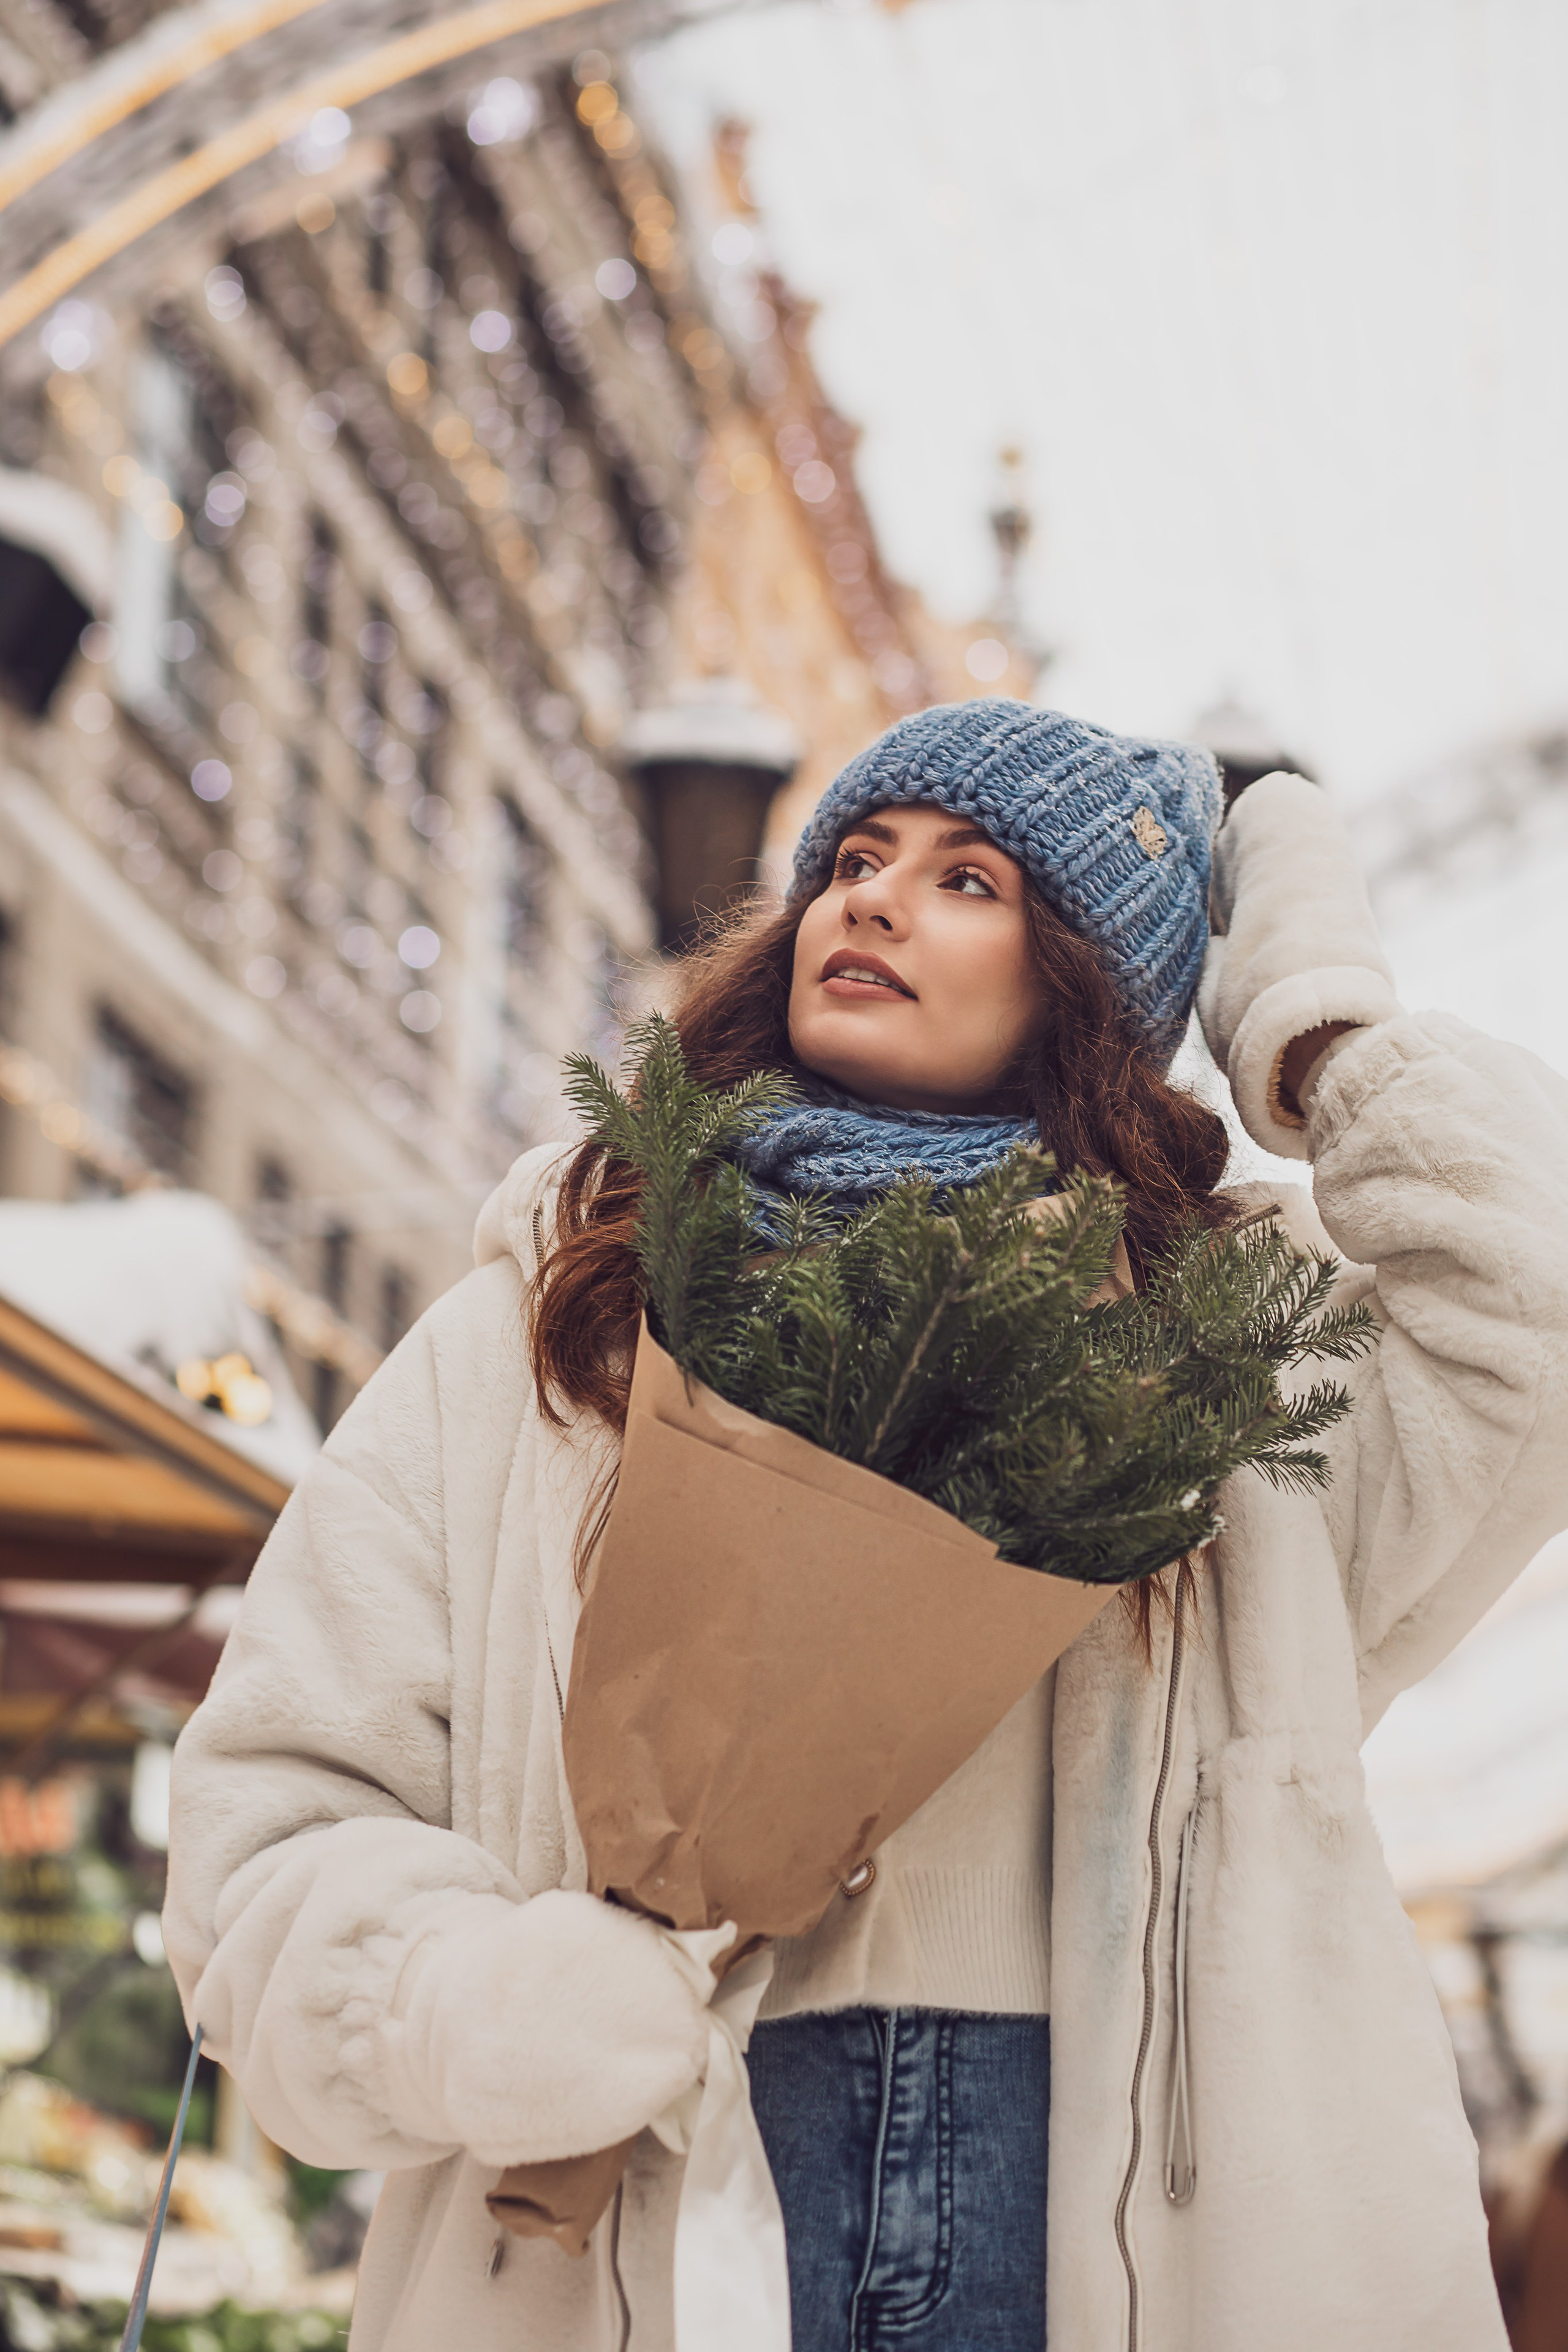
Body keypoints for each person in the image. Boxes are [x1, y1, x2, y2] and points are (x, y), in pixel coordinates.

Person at [165, 699, 1568, 2352]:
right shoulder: (559, 1324)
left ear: (1090, 987)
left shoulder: (1229, 1363)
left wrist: (1315, 1018)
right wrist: (461, 2002)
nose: (875, 899)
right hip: (643, 2216)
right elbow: (274, 1814)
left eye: (969, 879)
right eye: (852, 859)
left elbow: (1533, 1303)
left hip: (1129, 2239)